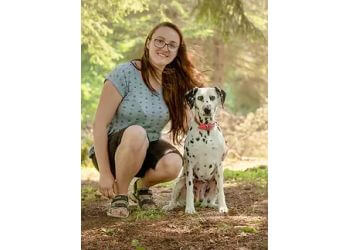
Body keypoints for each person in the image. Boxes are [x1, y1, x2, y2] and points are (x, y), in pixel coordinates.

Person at [90, 22, 205, 218]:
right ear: (148, 43)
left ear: (177, 52)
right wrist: (105, 174)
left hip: (147, 147)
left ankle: (141, 187)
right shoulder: (125, 73)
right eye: (159, 41)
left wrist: (211, 139)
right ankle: (121, 195)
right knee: (136, 132)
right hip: (113, 150)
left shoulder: (175, 83)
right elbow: (99, 124)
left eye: (171, 45)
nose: (164, 48)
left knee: (173, 163)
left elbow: (189, 126)